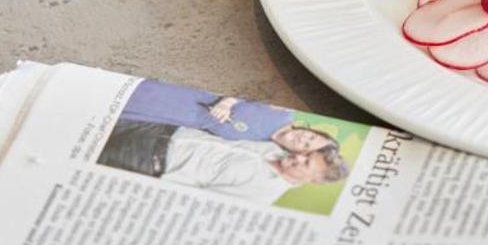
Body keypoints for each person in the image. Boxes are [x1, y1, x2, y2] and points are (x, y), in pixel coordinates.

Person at [97, 120, 348, 206]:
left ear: (312, 181)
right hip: (161, 131)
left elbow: (198, 198)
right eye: (306, 153)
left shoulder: (262, 194)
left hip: (146, 160)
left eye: (306, 163)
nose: (298, 156)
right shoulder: (274, 148)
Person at [116, 81, 329, 153]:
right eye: (310, 136)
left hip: (183, 120)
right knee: (137, 93)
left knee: (125, 110)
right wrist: (228, 102)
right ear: (309, 130)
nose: (303, 139)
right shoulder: (284, 113)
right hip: (191, 97)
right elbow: (256, 89)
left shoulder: (263, 146)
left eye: (307, 145)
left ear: (299, 152)